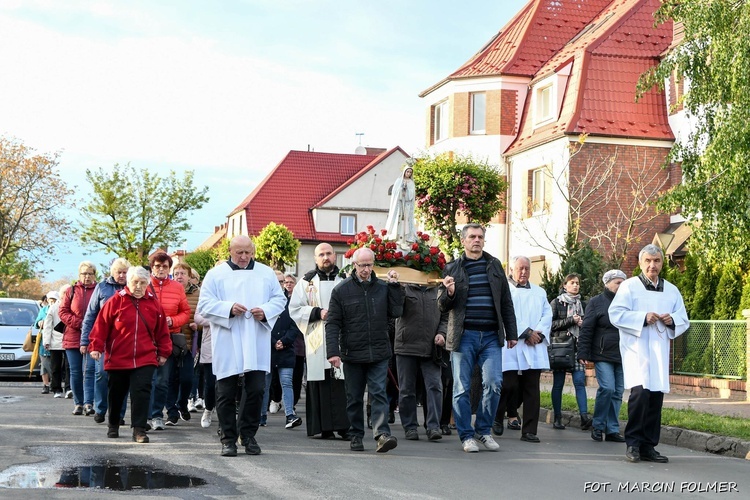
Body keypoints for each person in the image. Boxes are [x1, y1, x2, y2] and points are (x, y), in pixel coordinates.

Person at [197, 235, 287, 457]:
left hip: (256, 338)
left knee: (256, 389)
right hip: (228, 339)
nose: (244, 257)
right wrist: (228, 309)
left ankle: (248, 435)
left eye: (248, 252)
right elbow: (204, 305)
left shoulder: (265, 273)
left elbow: (280, 299)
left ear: (253, 251)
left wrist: (265, 311)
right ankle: (228, 438)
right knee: (225, 391)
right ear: (230, 250)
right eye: (239, 252)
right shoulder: (216, 274)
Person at [438, 223, 518, 453]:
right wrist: (450, 293)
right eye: (472, 236)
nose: (476, 240)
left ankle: (483, 431)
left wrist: (511, 333)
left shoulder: (494, 266)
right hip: (464, 336)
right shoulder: (452, 268)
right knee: (461, 387)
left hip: (491, 335)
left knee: (494, 383)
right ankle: (466, 435)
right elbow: (441, 305)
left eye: (480, 236)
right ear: (463, 241)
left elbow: (506, 302)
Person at [609, 245, 689, 464]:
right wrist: (643, 318)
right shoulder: (629, 287)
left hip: (659, 349)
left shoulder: (671, 290)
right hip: (637, 349)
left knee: (655, 398)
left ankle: (648, 446)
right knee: (640, 395)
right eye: (648, 261)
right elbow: (615, 314)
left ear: (662, 263)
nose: (652, 265)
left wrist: (673, 320)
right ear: (640, 263)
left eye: (656, 261)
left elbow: (683, 318)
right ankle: (633, 444)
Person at [326, 247, 405, 453]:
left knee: (378, 392)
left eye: (370, 265)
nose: (366, 269)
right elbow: (333, 323)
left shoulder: (383, 287)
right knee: (354, 396)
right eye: (362, 265)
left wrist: (396, 287)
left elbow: (397, 311)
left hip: (379, 351)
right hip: (353, 353)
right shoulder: (341, 290)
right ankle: (356, 434)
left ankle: (381, 434)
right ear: (354, 265)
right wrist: (333, 352)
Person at [89, 266, 172, 443]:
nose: (138, 287)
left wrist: (164, 352)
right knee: (116, 393)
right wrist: (96, 346)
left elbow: (162, 332)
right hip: (118, 357)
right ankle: (113, 424)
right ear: (128, 282)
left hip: (145, 357)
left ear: (148, 284)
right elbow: (101, 325)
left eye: (143, 283)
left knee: (141, 392)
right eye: (135, 282)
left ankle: (139, 429)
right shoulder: (115, 301)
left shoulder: (154, 304)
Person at [289, 243, 350, 439]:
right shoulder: (306, 282)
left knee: (342, 380)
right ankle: (324, 428)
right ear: (316, 259)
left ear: (335, 256)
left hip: (341, 336)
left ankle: (345, 427)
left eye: (329, 254)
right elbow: (295, 309)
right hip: (317, 335)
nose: (325, 257)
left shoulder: (346, 280)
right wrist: (317, 312)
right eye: (321, 254)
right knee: (321, 380)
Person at [494, 255, 552, 444]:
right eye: (520, 268)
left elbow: (547, 315)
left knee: (532, 390)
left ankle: (529, 431)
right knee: (508, 384)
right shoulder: (505, 290)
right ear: (511, 269)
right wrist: (526, 332)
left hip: (534, 345)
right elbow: (505, 314)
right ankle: (497, 417)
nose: (524, 272)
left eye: (527, 268)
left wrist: (539, 334)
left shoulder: (539, 292)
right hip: (513, 344)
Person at [577, 269, 627, 443]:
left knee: (618, 392)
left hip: (623, 354)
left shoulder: (629, 302)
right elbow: (587, 328)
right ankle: (598, 426)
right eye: (617, 282)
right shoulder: (596, 302)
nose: (621, 286)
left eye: (623, 282)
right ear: (607, 283)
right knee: (607, 388)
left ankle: (612, 430)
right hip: (603, 353)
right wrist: (582, 352)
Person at [80, 258, 131, 424]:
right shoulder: (102, 287)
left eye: (125, 272)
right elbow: (90, 315)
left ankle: (118, 415)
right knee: (101, 374)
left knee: (122, 379)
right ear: (112, 272)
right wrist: (85, 341)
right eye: (119, 272)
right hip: (103, 340)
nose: (122, 275)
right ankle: (101, 408)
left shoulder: (132, 288)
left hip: (125, 341)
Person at [395, 282, 447, 441]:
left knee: (434, 386)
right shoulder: (404, 287)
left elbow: (445, 315)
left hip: (431, 347)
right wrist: (398, 288)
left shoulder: (439, 288)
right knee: (406, 389)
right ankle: (410, 427)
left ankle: (433, 427)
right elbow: (395, 310)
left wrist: (442, 333)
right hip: (406, 346)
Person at [147, 252, 191, 430]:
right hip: (146, 338)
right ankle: (145, 415)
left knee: (162, 380)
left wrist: (172, 320)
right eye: (158, 266)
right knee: (146, 380)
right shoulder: (145, 285)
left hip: (167, 338)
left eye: (165, 266)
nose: (161, 269)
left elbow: (186, 312)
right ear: (152, 267)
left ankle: (157, 414)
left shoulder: (177, 287)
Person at [260, 271, 303, 429]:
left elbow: (295, 325)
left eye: (282, 281)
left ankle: (290, 415)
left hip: (286, 350)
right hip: (268, 349)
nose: (280, 284)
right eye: (277, 281)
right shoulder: (264, 301)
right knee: (265, 384)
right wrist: (273, 342)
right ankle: (261, 415)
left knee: (287, 383)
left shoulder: (291, 302)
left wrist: (284, 341)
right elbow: (261, 324)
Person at [549, 273, 590, 430]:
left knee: (579, 382)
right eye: (572, 283)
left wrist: (582, 323)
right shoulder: (557, 302)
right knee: (558, 383)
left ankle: (584, 417)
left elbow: (588, 326)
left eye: (577, 283)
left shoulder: (583, 304)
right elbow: (551, 325)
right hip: (561, 347)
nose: (575, 285)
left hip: (577, 349)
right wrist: (570, 321)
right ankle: (557, 418)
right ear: (564, 285)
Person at [58, 261, 99, 416]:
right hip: (73, 335)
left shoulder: (98, 290)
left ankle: (89, 403)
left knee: (90, 370)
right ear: (79, 275)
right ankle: (78, 403)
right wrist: (79, 323)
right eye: (84, 274)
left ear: (94, 275)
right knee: (75, 372)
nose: (87, 277)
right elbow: (63, 311)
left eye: (90, 273)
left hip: (92, 336)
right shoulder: (71, 291)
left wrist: (90, 326)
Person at [171, 262, 203, 415]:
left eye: (183, 273)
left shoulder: (198, 293)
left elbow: (205, 317)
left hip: (189, 343)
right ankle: (172, 411)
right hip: (170, 342)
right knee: (170, 379)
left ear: (190, 277)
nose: (179, 276)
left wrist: (199, 325)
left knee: (187, 379)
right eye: (176, 273)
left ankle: (182, 402)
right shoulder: (169, 291)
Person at [43, 285, 70, 398]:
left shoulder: (73, 305)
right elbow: (48, 325)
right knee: (55, 367)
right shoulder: (53, 307)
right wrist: (46, 341)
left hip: (69, 341)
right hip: (55, 342)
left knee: (69, 367)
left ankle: (69, 388)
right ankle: (56, 389)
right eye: (64, 293)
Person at [284, 273, 305, 409]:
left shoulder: (299, 298)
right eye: (286, 282)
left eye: (291, 282)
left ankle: (294, 400)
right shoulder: (280, 299)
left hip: (298, 343)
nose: (288, 284)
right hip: (283, 341)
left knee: (297, 375)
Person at [384, 162, 417, 247]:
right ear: (404, 172)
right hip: (399, 205)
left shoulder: (411, 183)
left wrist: (407, 191)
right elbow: (395, 193)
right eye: (407, 172)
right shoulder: (399, 181)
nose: (409, 173)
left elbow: (411, 195)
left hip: (407, 205)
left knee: (406, 221)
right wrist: (401, 190)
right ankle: (396, 237)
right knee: (398, 220)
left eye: (410, 172)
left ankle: (405, 239)